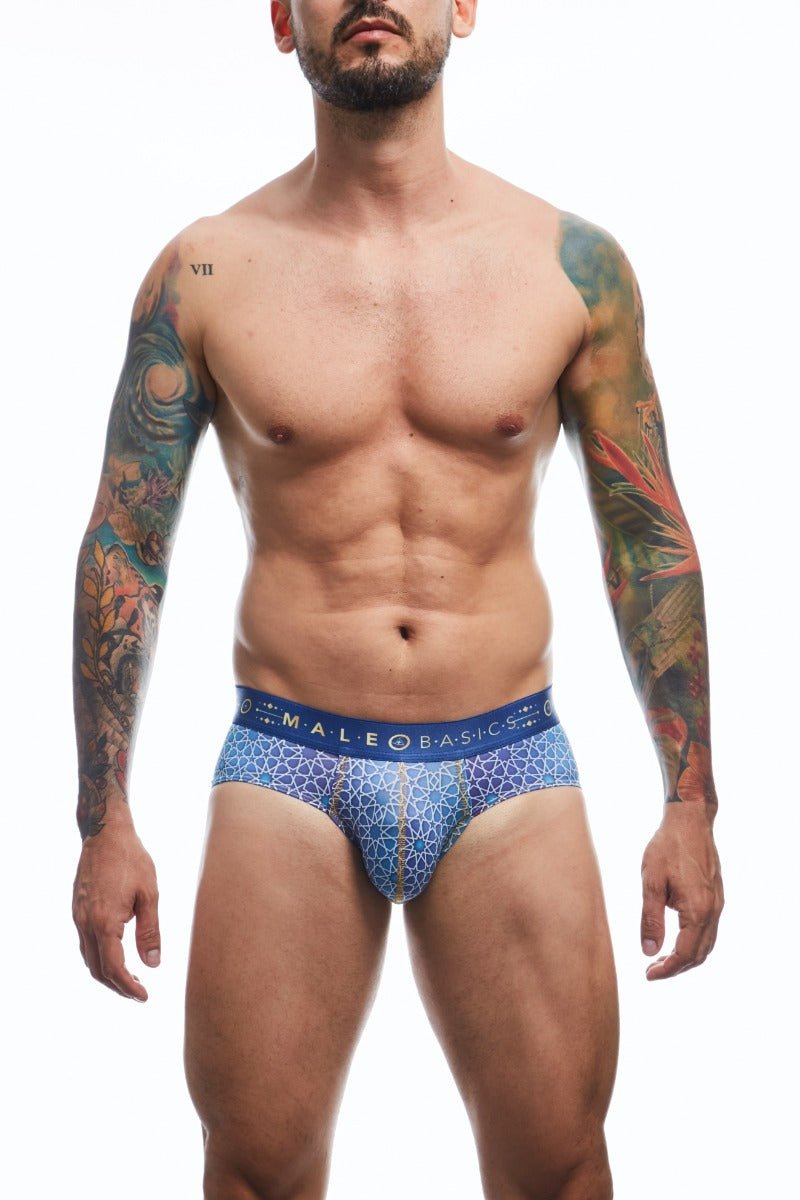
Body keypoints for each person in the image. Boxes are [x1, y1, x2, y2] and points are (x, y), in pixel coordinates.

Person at [71, 2, 724, 1197]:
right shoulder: (205, 269)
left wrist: (689, 802)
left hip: (507, 761)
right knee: (254, 1175)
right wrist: (101, 818)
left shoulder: (569, 264)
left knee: (558, 1171)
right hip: (289, 762)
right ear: (282, 20)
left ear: (463, 6)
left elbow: (646, 538)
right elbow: (126, 544)